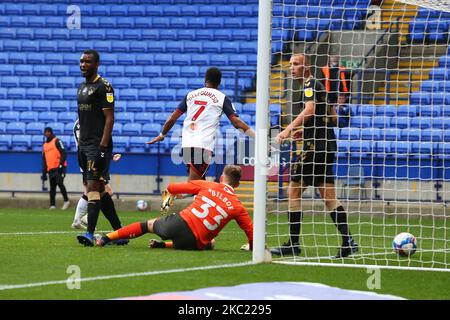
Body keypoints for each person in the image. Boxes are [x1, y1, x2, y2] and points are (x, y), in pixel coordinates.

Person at [272, 53, 358, 258]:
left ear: (306, 68)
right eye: (290, 64)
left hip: (314, 148)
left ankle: (293, 244)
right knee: (328, 197)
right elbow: (332, 117)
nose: (291, 68)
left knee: (293, 191)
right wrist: (308, 129)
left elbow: (309, 110)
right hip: (327, 145)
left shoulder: (309, 85)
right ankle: (349, 242)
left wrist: (288, 129)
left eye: (296, 64)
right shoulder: (319, 86)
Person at [147, 67, 255, 212]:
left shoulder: (191, 95)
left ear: (205, 80)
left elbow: (173, 118)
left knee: (200, 186)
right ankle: (170, 196)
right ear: (219, 82)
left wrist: (162, 135)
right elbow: (236, 122)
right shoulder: (222, 98)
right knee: (193, 185)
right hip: (202, 146)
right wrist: (257, 137)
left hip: (186, 145)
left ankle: (206, 229)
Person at [96, 165, 253, 251]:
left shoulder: (208, 184)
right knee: (210, 243)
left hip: (179, 223)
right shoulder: (238, 207)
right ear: (238, 185)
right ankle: (164, 245)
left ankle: (106, 238)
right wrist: (252, 247)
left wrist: (168, 201)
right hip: (193, 243)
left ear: (221, 178)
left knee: (147, 225)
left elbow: (172, 187)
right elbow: (251, 234)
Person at [75, 49, 127, 246]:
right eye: (81, 61)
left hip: (98, 146)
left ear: (96, 64)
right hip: (84, 145)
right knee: (101, 191)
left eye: (87, 62)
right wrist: (81, 144)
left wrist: (103, 147)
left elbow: (110, 118)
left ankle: (89, 233)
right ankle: (120, 232)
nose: (83, 64)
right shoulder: (81, 88)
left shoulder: (104, 87)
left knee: (93, 188)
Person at [71, 119, 122, 230]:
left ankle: (81, 219)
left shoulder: (89, 122)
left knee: (95, 192)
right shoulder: (82, 124)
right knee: (102, 192)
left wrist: (110, 155)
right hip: (91, 160)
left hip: (94, 158)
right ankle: (84, 218)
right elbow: (87, 143)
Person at [41, 127, 70, 210]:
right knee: (52, 187)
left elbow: (64, 152)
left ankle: (66, 201)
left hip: (59, 167)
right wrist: (44, 173)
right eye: (45, 132)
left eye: (48, 132)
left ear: (51, 132)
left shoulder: (57, 141)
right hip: (51, 168)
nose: (47, 134)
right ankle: (52, 205)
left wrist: (61, 164)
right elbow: (44, 160)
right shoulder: (45, 145)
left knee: (59, 183)